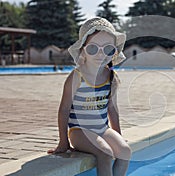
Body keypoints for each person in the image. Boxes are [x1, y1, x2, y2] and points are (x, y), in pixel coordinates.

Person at [48, 17, 131, 176]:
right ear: (83, 50)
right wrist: (63, 142)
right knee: (106, 153)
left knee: (125, 151)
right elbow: (64, 110)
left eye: (108, 49)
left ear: (114, 52)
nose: (101, 54)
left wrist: (118, 137)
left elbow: (112, 109)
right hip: (80, 132)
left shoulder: (112, 77)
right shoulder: (77, 76)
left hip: (102, 129)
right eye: (93, 48)